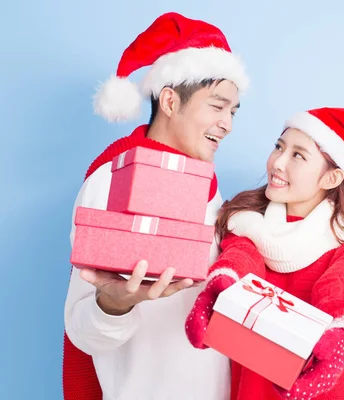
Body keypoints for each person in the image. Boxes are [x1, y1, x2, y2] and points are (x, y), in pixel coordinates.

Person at [62, 12, 249, 400]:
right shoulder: (115, 182)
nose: (227, 123)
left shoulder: (210, 192)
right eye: (217, 106)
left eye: (232, 111)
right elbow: (80, 329)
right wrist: (115, 303)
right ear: (168, 100)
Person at [185, 107, 344, 399]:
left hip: (327, 389)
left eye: (298, 155)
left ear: (332, 178)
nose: (278, 162)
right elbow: (240, 260)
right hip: (256, 385)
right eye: (279, 147)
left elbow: (341, 287)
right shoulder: (247, 223)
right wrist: (217, 291)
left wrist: (338, 339)